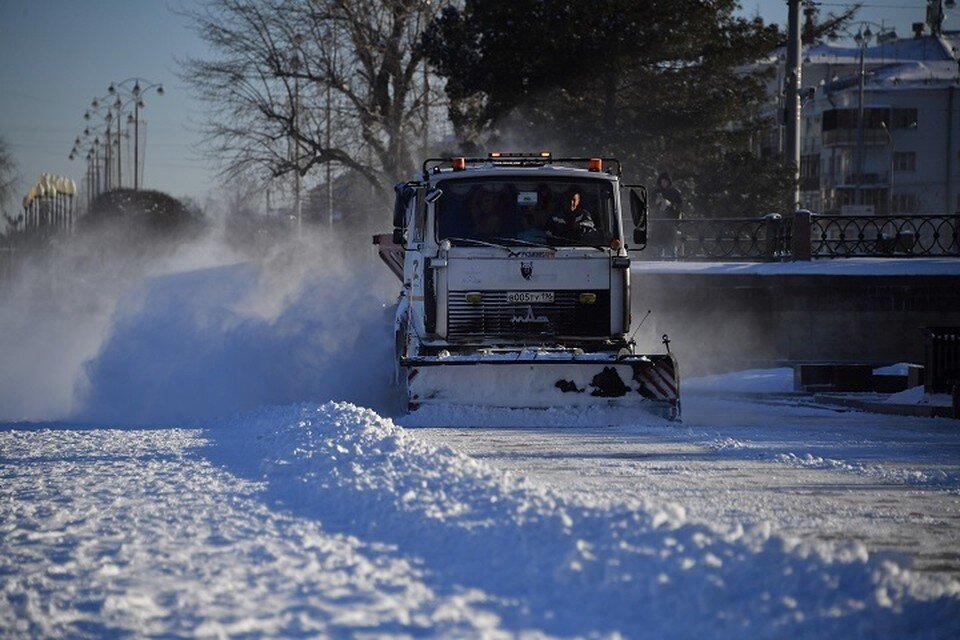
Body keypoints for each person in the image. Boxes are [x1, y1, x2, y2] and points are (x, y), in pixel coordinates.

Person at [651, 172, 683, 257]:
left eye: (665, 181)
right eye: (662, 181)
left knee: (670, 246)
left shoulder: (675, 192)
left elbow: (679, 206)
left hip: (670, 222)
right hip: (658, 223)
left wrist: (670, 204)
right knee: (658, 246)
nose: (663, 183)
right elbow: (650, 206)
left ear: (669, 182)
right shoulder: (655, 192)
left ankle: (671, 259)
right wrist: (656, 202)